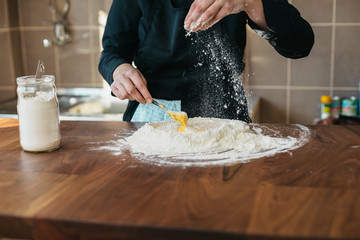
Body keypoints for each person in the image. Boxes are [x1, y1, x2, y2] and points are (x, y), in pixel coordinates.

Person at [99, 0, 314, 122]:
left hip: (224, 113)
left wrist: (250, 2)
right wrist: (119, 70)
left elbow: (301, 43)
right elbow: (112, 51)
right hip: (152, 112)